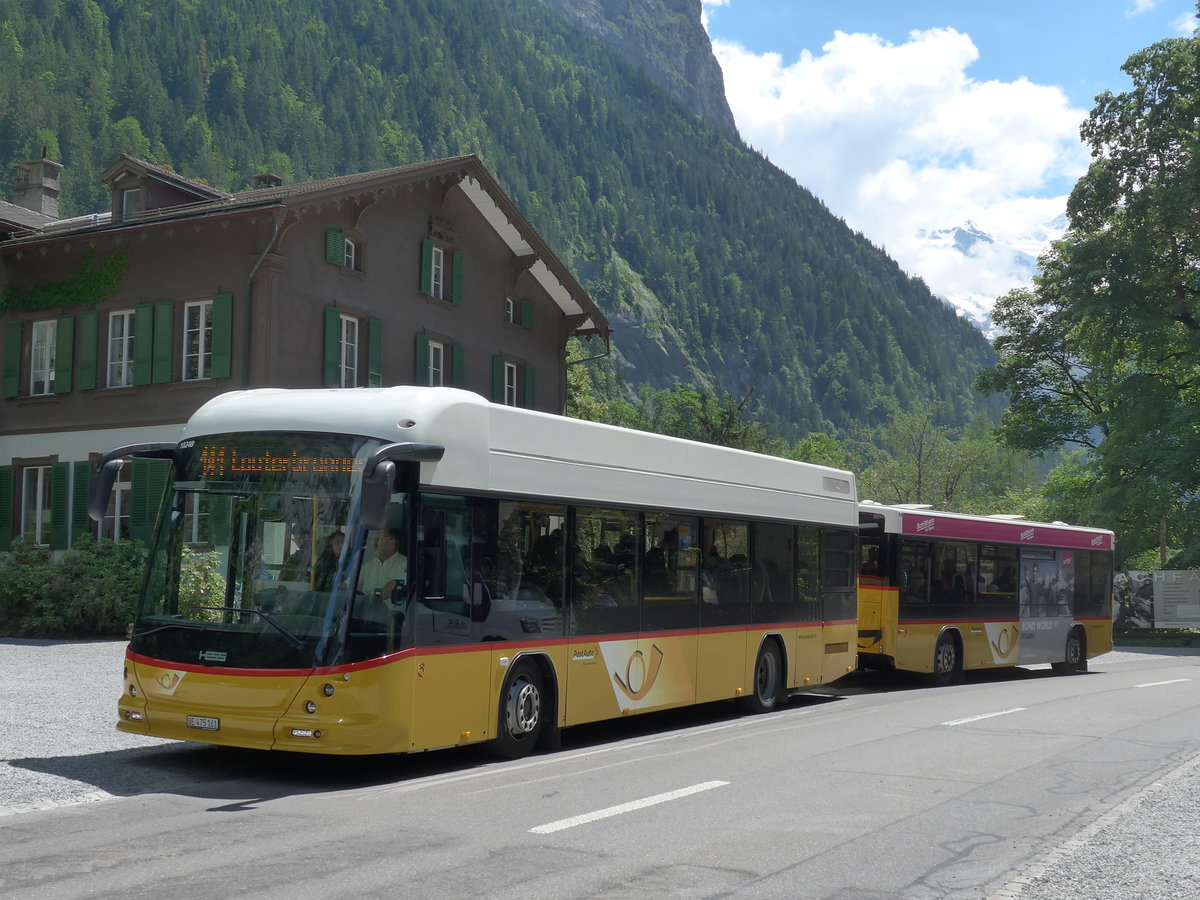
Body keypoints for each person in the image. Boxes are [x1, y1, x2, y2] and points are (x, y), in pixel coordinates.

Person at [358, 528, 407, 601]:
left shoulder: (404, 565)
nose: (373, 542)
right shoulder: (368, 566)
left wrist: (378, 593)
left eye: (377, 539)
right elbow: (349, 586)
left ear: (391, 542)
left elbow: (391, 592)